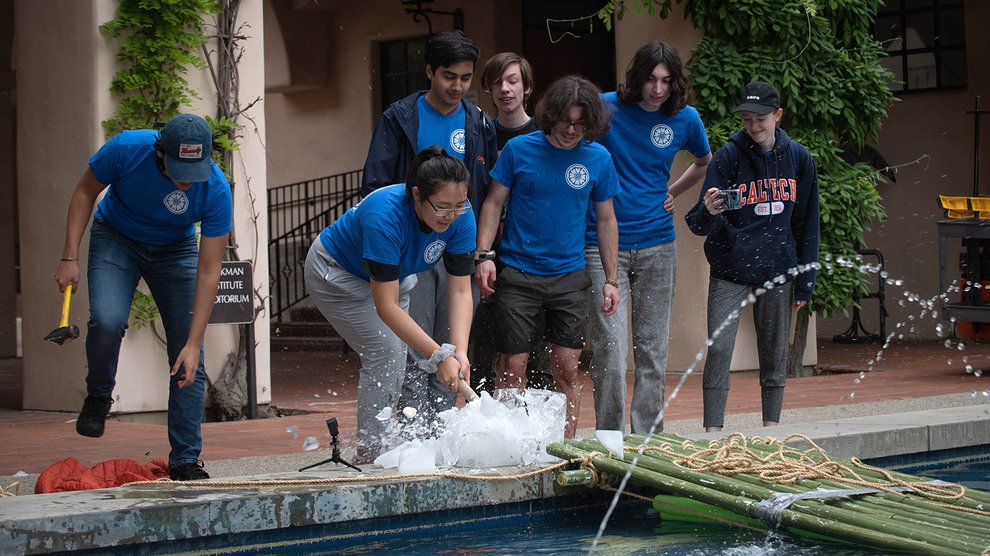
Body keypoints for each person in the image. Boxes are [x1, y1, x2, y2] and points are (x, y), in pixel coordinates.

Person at [54, 114, 232, 481]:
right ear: (159, 153)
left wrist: (195, 342)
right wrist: (69, 257)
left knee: (187, 356)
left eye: (194, 169)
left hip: (176, 249)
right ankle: (100, 394)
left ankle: (185, 459)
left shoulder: (216, 188)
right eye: (179, 167)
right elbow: (85, 191)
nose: (186, 179)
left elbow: (209, 270)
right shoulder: (127, 149)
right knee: (106, 320)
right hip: (116, 237)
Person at [306, 147, 476, 462]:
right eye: (442, 207)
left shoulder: (460, 215)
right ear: (416, 195)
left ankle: (391, 440)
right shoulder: (384, 214)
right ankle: (372, 454)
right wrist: (440, 356)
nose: (451, 216)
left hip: (396, 277)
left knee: (401, 354)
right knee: (385, 352)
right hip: (335, 274)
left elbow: (461, 290)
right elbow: (386, 306)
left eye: (459, 206)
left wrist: (459, 351)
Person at [361, 30, 497, 423]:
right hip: (411, 250)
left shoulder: (477, 123)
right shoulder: (400, 118)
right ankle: (408, 433)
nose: (458, 86)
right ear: (429, 72)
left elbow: (484, 191)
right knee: (417, 346)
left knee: (451, 344)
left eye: (466, 78)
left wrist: (482, 249)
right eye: (449, 76)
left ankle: (438, 434)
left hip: (456, 245)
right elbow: (376, 187)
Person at [475, 75, 621, 438]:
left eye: (580, 123)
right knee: (513, 365)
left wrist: (612, 279)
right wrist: (483, 256)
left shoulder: (598, 158)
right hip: (519, 274)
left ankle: (564, 447)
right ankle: (508, 444)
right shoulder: (519, 150)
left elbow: (606, 219)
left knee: (568, 368)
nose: (571, 130)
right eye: (565, 121)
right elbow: (493, 203)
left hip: (569, 276)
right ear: (550, 115)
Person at [587, 41, 712, 435]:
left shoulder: (686, 118)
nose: (658, 89)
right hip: (603, 248)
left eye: (666, 81)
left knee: (652, 350)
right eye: (651, 80)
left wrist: (672, 192)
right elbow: (571, 147)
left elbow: (704, 163)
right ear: (636, 77)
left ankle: (648, 441)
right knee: (610, 349)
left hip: (659, 244)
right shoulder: (605, 107)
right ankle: (609, 437)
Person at [684, 80, 820, 432]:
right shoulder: (729, 156)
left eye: (760, 118)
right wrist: (710, 211)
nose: (753, 126)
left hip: (778, 268)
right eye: (746, 119)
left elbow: (807, 224)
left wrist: (805, 283)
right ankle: (712, 429)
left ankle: (771, 426)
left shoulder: (800, 159)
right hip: (729, 266)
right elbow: (697, 223)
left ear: (778, 115)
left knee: (775, 351)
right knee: (719, 348)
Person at [472, 52, 551, 393]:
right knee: (484, 349)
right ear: (489, 89)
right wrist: (481, 253)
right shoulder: (479, 135)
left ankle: (540, 439)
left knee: (536, 353)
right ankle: (482, 434)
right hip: (488, 255)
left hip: (535, 258)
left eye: (513, 80)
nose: (505, 89)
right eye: (497, 82)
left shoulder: (545, 136)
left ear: (528, 87)